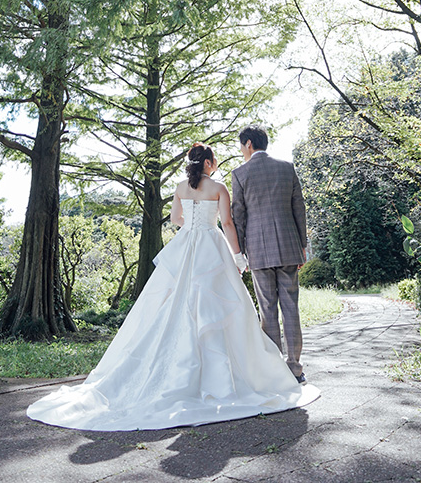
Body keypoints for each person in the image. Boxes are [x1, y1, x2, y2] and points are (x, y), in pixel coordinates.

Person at [27, 142, 319, 431]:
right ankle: (278, 367)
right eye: (213, 159)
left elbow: (177, 219)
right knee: (222, 304)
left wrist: (194, 226)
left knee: (178, 303)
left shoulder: (180, 186)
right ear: (207, 163)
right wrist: (238, 255)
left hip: (187, 244)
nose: (215, 162)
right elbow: (228, 223)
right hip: (213, 246)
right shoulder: (219, 188)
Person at [231, 124, 308, 383]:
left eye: (241, 145)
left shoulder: (240, 173)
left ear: (249, 144)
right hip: (289, 247)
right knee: (291, 307)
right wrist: (302, 245)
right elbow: (299, 208)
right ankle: (295, 368)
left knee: (267, 309)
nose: (241, 150)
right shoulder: (287, 168)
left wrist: (239, 252)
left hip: (258, 249)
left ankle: (275, 371)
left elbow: (238, 216)